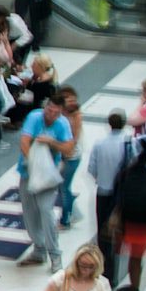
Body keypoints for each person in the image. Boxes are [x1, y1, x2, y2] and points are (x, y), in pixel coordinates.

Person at [18, 91, 77, 273]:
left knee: (46, 212)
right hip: (28, 173)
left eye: (55, 113)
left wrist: (52, 142)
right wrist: (32, 162)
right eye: (48, 111)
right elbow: (24, 141)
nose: (50, 115)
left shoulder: (62, 124)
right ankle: (39, 249)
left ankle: (54, 253)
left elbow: (68, 148)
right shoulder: (34, 117)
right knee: (30, 213)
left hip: (48, 176)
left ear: (60, 112)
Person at [109, 139, 146, 291]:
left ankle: (135, 289)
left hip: (131, 223)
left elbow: (118, 198)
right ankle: (145, 289)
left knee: (135, 259)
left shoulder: (126, 172)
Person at [88, 110, 132, 272]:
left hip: (103, 191)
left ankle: (105, 267)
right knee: (119, 229)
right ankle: (117, 264)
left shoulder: (100, 143)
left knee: (103, 231)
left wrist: (101, 178)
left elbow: (92, 168)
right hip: (123, 194)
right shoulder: (129, 143)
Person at [58, 86, 86, 229]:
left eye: (72, 99)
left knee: (64, 187)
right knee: (61, 186)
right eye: (67, 99)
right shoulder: (61, 112)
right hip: (62, 153)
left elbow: (74, 137)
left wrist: (67, 150)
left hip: (71, 156)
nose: (70, 101)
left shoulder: (76, 116)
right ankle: (75, 212)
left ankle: (65, 219)